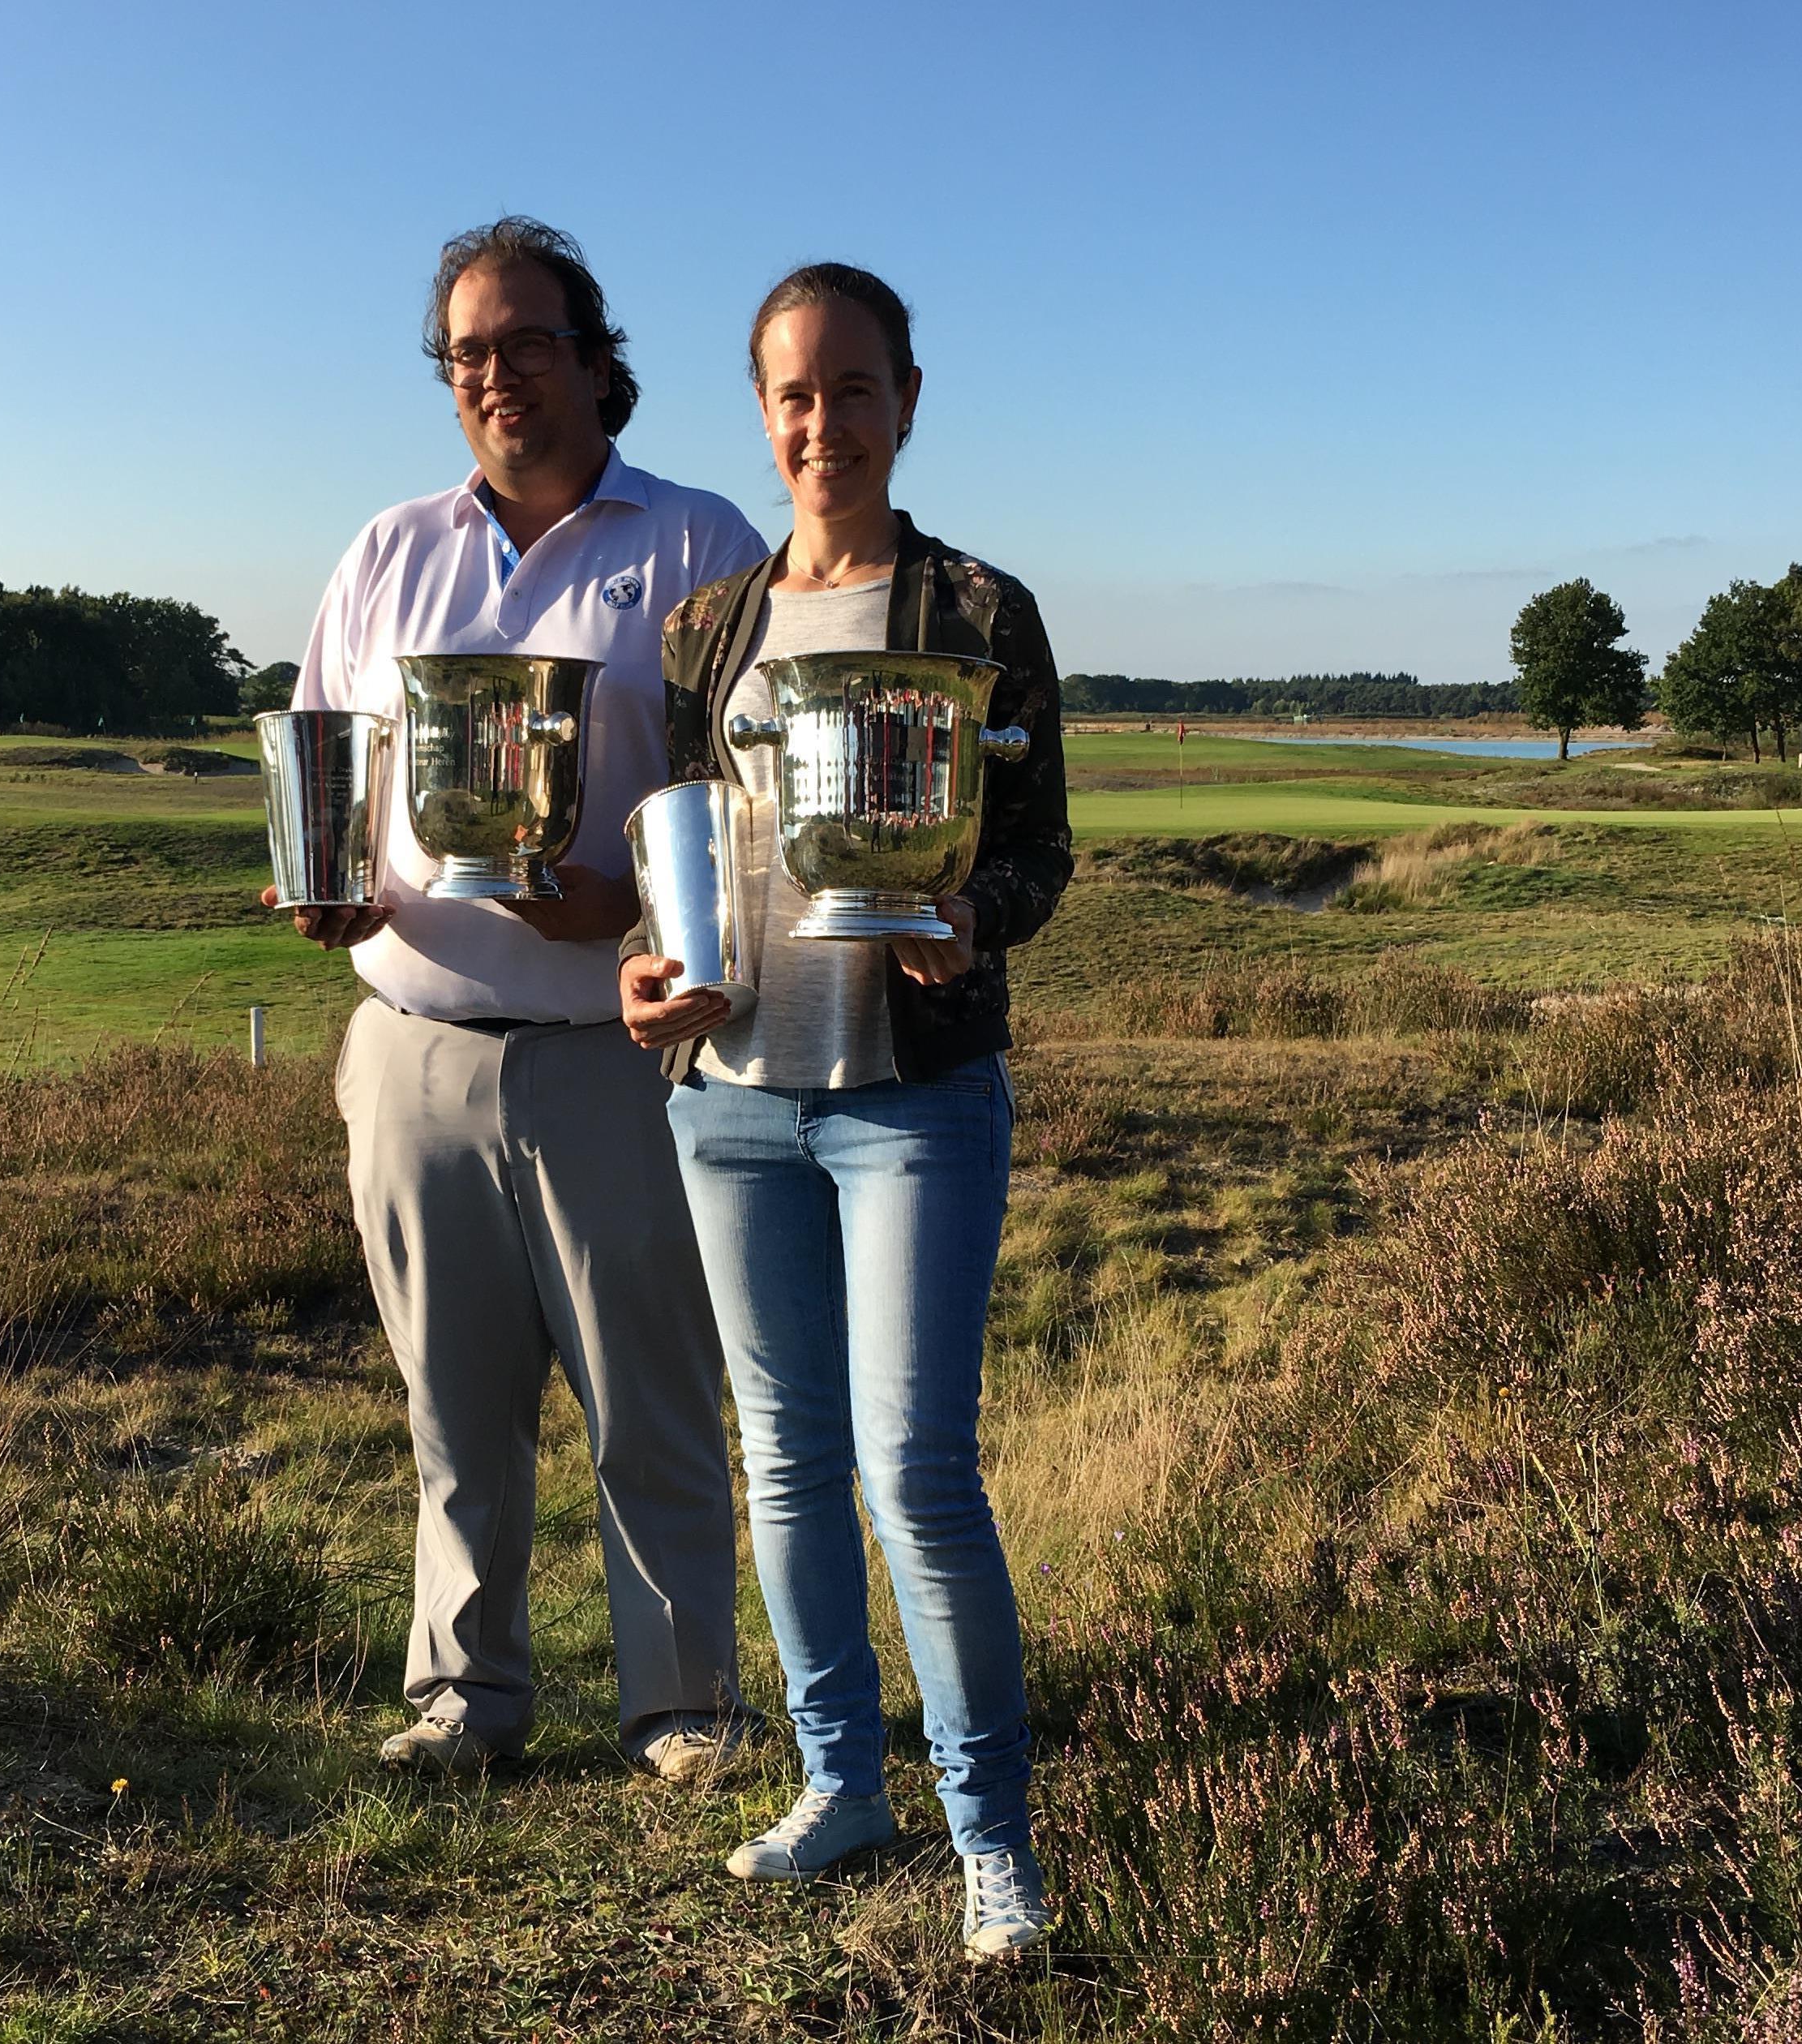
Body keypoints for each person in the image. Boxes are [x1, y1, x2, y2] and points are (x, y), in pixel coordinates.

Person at [272, 218, 768, 1781]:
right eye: (468, 352)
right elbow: (325, 756)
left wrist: (625, 901)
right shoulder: (387, 548)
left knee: (652, 1399)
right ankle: (466, 1699)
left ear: (596, 359)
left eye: (527, 342)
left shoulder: (696, 543)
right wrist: (325, 881)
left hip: (615, 1053)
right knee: (451, 1407)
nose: (496, 375)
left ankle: (683, 1705)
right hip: (410, 1046)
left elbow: (749, 803)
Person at [620, 263, 1070, 1960]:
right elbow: (679, 857)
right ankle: (838, 1781)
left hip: (911, 1095)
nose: (825, 423)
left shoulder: (977, 610)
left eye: (855, 387)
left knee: (916, 1474)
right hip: (730, 1099)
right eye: (795, 395)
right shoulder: (706, 630)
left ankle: (991, 1839)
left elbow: (1041, 855)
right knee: (791, 1466)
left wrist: (981, 919)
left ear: (908, 399)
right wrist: (645, 984)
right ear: (763, 412)